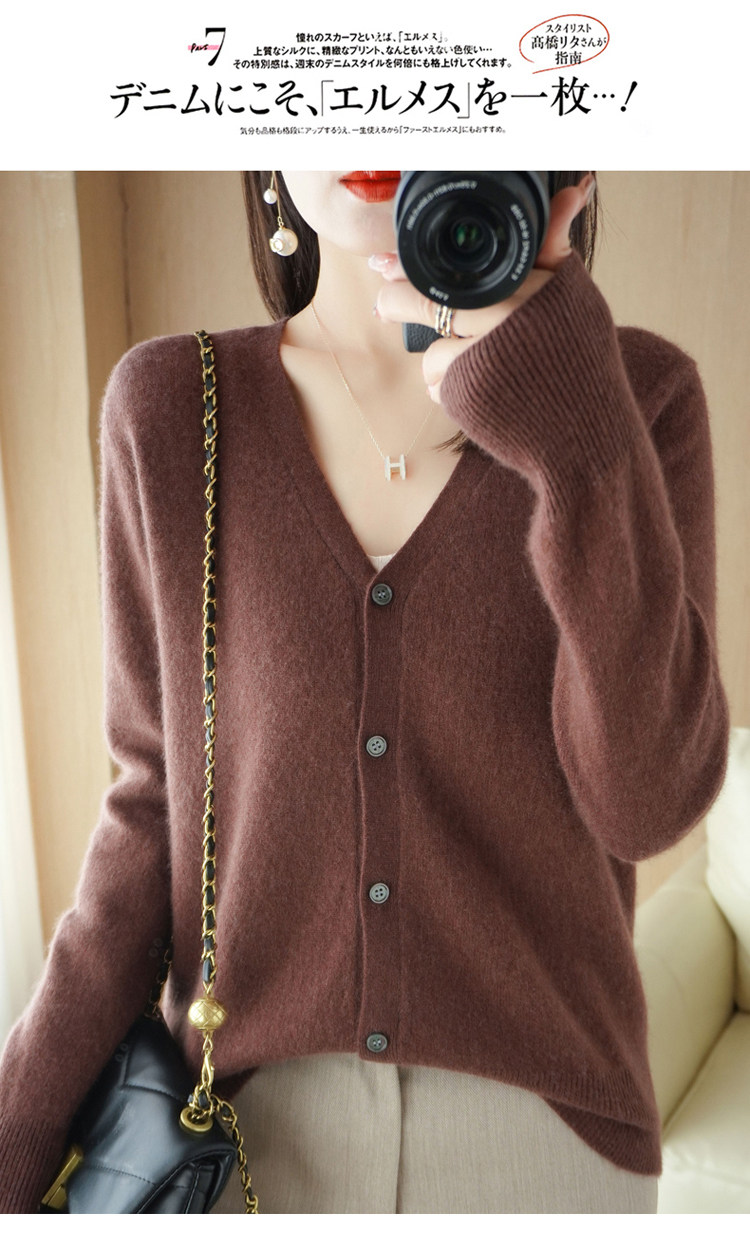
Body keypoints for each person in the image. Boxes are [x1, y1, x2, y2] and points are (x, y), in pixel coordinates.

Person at [0, 171, 730, 1214]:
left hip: (546, 1141)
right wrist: (17, 1139)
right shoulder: (171, 407)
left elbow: (650, 801)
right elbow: (152, 812)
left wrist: (575, 439)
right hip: (244, 1141)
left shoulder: (637, 399)